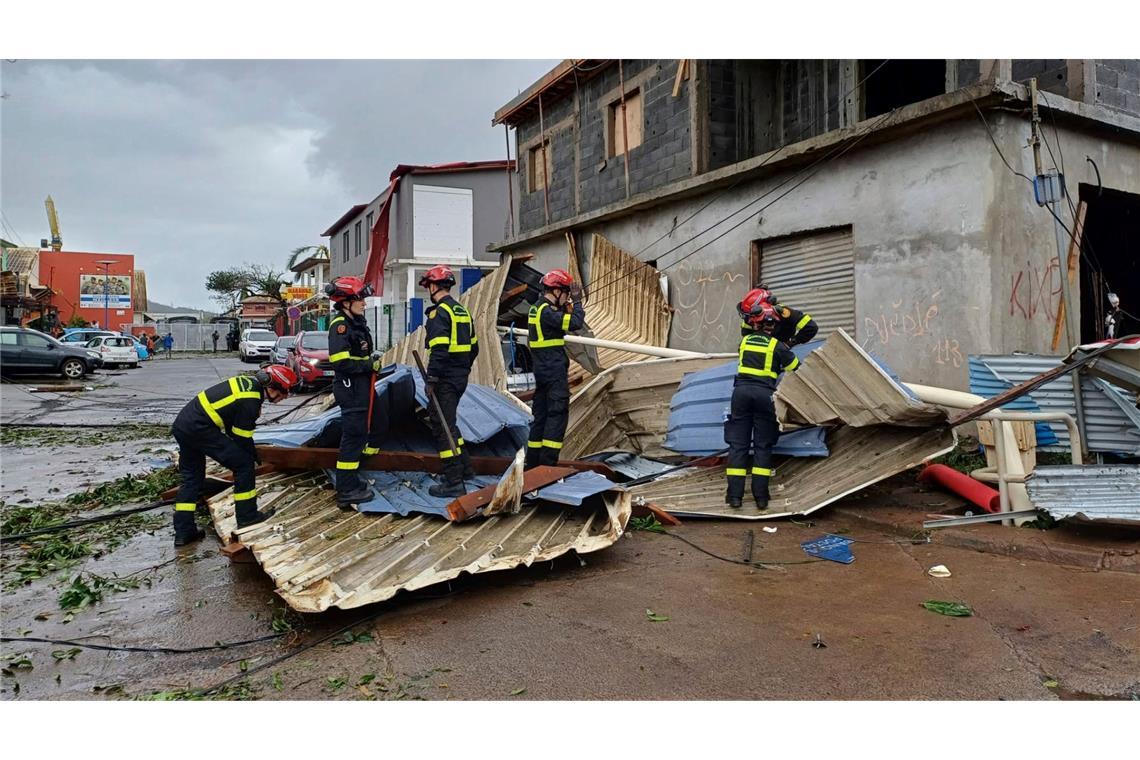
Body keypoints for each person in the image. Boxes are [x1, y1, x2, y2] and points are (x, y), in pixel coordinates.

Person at [170, 364, 298, 546]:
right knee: (244, 466)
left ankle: (184, 532)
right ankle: (248, 516)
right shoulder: (252, 399)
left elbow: (232, 427)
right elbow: (241, 436)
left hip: (184, 426)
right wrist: (251, 457)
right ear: (274, 387)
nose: (284, 397)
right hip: (200, 429)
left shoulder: (247, 385)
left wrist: (248, 450)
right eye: (285, 392)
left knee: (192, 479)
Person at [724, 293, 800, 510]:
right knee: (762, 446)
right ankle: (761, 498)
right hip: (764, 396)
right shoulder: (778, 347)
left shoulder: (744, 342)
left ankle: (735, 497)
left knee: (738, 445)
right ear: (773, 325)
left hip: (740, 394)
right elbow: (796, 367)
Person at [325, 276, 385, 507]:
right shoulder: (340, 326)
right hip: (351, 389)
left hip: (363, 386)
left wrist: (370, 361)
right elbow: (340, 362)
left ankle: (358, 469)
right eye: (360, 299)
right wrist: (369, 365)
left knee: (379, 421)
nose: (364, 303)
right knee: (353, 437)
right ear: (346, 301)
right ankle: (346, 489)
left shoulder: (356, 323)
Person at [419, 265, 478, 497]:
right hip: (460, 376)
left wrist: (432, 379)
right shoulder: (462, 311)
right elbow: (475, 347)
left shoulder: (438, 313)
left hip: (444, 378)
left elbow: (440, 349)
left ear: (433, 286)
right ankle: (466, 469)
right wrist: (462, 369)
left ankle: (453, 481)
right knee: (450, 424)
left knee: (442, 426)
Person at [525, 269, 585, 468]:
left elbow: (554, 326)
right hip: (553, 371)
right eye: (567, 293)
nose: (567, 296)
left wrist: (565, 308)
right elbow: (576, 323)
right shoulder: (547, 311)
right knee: (557, 416)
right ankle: (548, 467)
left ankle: (532, 465)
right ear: (557, 291)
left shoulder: (537, 308)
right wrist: (577, 303)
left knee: (540, 417)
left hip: (542, 371)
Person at [738, 287, 818, 346]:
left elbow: (811, 327)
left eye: (753, 315)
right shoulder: (749, 317)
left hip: (783, 354)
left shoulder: (784, 313)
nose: (750, 320)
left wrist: (790, 343)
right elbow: (746, 334)